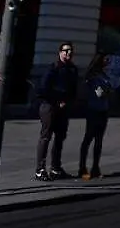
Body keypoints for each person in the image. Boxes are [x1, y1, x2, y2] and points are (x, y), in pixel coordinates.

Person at [36, 42, 79, 181]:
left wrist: (67, 101)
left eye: (70, 51)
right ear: (60, 52)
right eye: (65, 51)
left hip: (64, 108)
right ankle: (40, 169)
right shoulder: (53, 68)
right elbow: (43, 89)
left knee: (60, 138)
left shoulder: (72, 69)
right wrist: (57, 100)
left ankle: (55, 168)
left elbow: (74, 90)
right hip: (49, 107)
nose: (68, 54)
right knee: (46, 137)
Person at [78, 52, 112, 179]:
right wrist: (107, 92)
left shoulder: (103, 75)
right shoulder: (93, 76)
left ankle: (95, 168)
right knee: (88, 138)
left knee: (98, 140)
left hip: (103, 109)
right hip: (94, 110)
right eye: (105, 59)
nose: (107, 62)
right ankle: (82, 167)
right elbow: (99, 93)